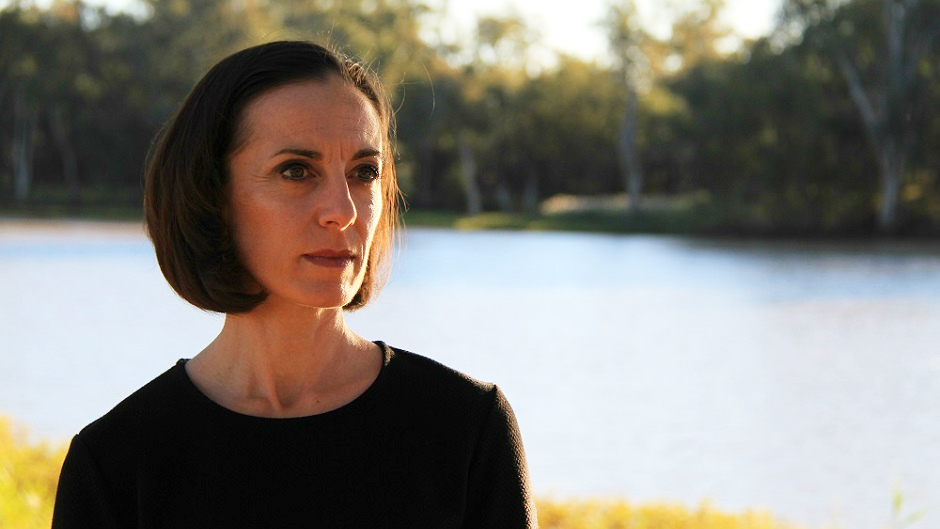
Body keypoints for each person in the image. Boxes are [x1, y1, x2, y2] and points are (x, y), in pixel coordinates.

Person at [51, 40, 536, 528]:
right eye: (296, 171)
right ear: (211, 196)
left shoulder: (467, 427)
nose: (343, 211)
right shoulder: (116, 461)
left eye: (364, 173)